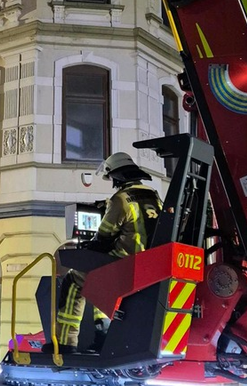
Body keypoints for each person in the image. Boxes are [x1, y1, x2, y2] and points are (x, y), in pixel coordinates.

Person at [43, 152, 161, 354]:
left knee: (74, 280)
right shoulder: (153, 195)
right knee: (99, 278)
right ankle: (103, 334)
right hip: (148, 266)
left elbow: (104, 237)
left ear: (116, 176)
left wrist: (87, 247)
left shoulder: (121, 199)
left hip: (125, 265)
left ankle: (65, 343)